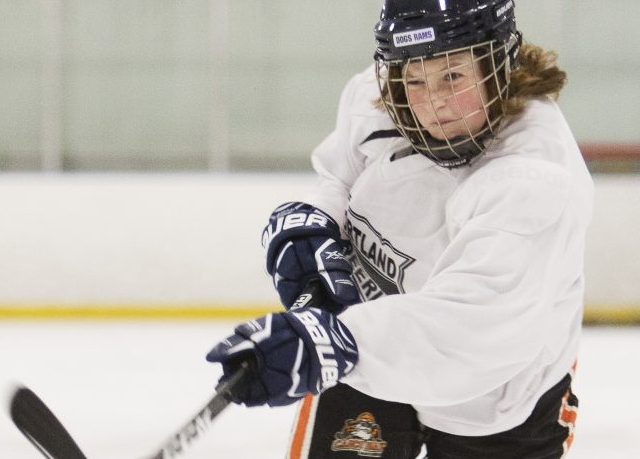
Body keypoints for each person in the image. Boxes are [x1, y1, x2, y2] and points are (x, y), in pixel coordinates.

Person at [206, 1, 593, 457]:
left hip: (495, 396)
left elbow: (470, 330)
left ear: (500, 63)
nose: (433, 102)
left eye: (453, 76)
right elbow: (340, 177)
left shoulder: (533, 180)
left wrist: (339, 344)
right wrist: (314, 221)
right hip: (367, 349)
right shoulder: (383, 94)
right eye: (414, 78)